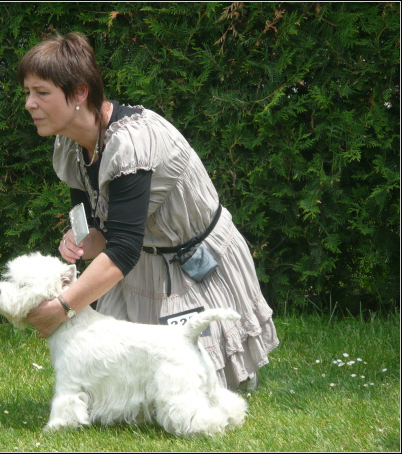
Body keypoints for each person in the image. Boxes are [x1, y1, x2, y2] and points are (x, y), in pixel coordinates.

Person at [17, 32, 279, 391]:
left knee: (195, 390)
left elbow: (122, 249)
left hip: (195, 267)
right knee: (115, 390)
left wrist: (62, 307)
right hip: (141, 263)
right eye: (27, 92)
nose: (29, 104)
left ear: (79, 92)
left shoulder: (132, 144)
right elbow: (99, 231)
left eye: (41, 93)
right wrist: (81, 241)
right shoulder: (71, 144)